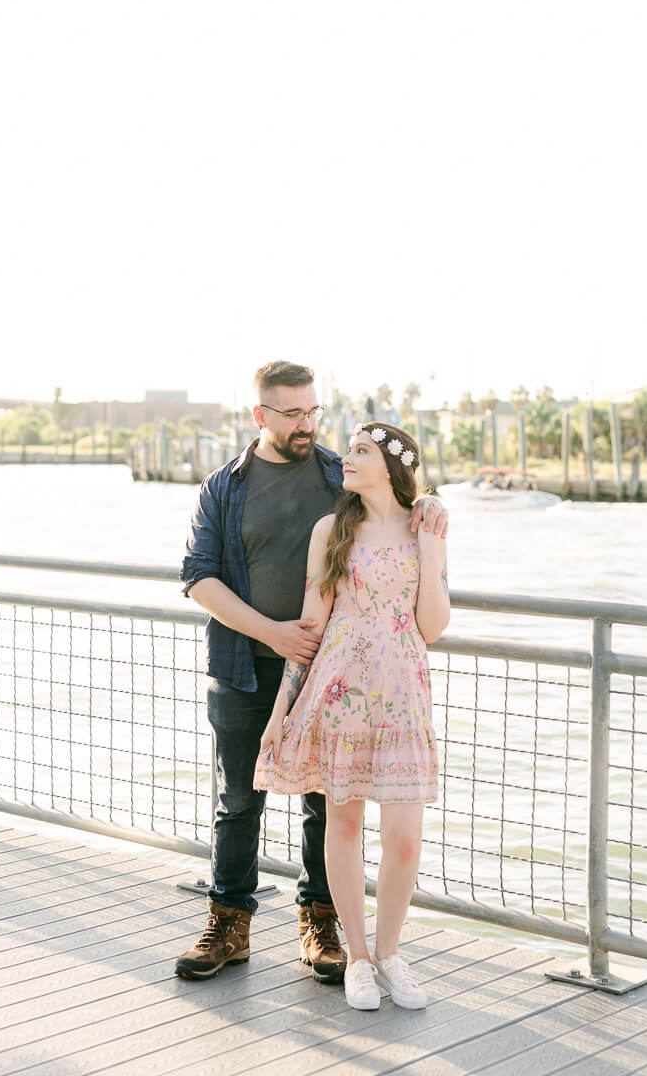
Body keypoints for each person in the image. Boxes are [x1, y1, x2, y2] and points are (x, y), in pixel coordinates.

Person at [175, 362, 447, 982]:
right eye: (292, 413)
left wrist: (429, 502)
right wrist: (271, 632)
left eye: (313, 411)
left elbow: (395, 507)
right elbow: (197, 575)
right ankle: (229, 924)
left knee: (328, 807)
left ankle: (321, 925)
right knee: (240, 799)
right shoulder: (224, 486)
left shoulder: (336, 474)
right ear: (260, 416)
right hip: (246, 664)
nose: (306, 424)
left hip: (336, 672)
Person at [253, 421, 450, 1010]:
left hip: (403, 697)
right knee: (342, 826)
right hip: (340, 693)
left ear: (392, 466)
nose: (346, 458)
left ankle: (390, 954)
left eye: (360, 451)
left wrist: (433, 550)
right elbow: (312, 625)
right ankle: (358, 960)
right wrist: (280, 709)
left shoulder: (426, 527)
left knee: (405, 840)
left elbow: (433, 628)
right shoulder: (330, 529)